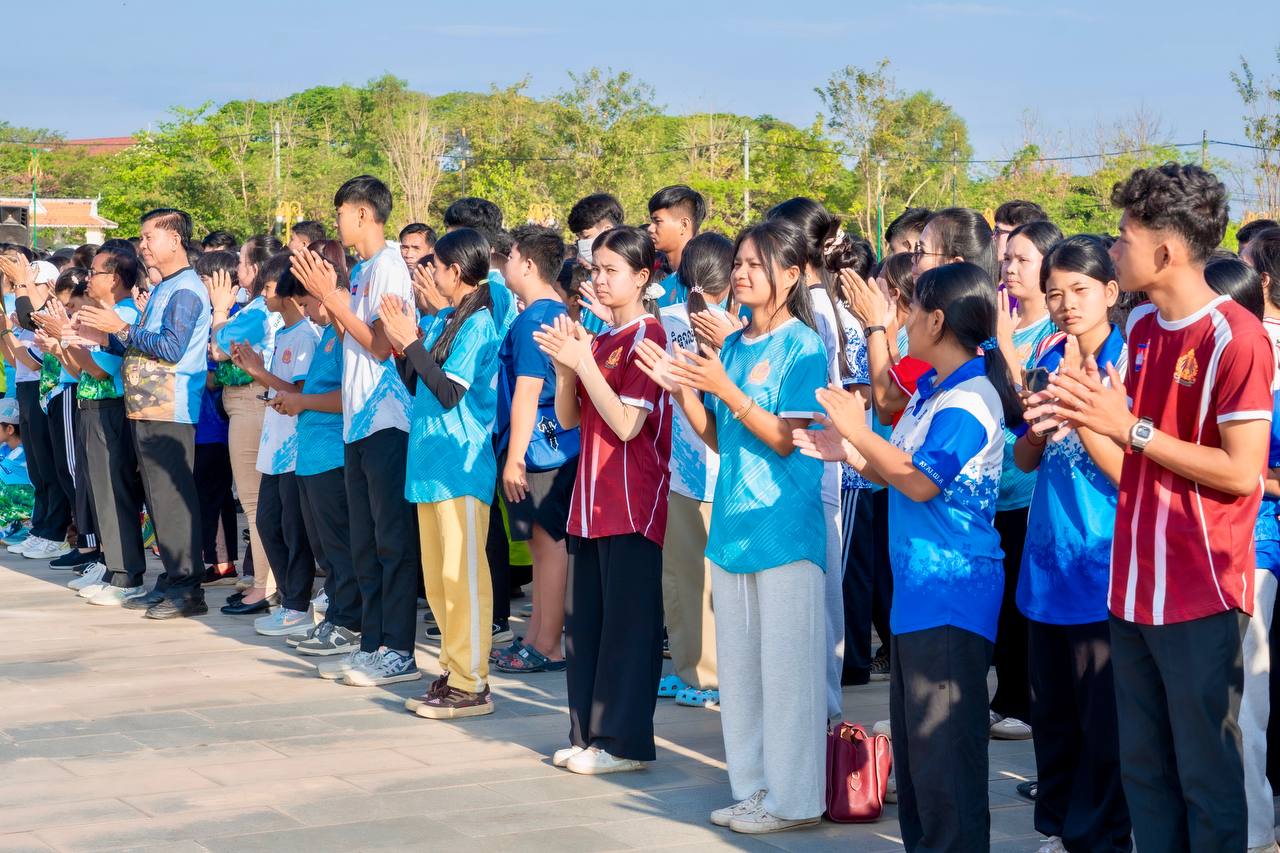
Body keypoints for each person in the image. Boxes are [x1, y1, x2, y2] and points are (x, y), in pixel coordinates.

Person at [1033, 164, 1269, 850]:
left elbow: (1241, 471)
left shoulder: (1236, 337)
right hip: (1132, 584)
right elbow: (1133, 460)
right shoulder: (1139, 325)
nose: (1112, 249)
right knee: (1144, 770)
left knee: (1205, 772)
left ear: (1165, 251)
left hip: (1200, 586)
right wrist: (1087, 415)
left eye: (1123, 237)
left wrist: (1130, 427)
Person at [798, 261, 1020, 852]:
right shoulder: (933, 390)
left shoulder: (970, 398)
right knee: (919, 751)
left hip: (952, 593)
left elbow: (921, 482)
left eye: (912, 308)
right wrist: (848, 451)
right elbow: (898, 472)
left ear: (937, 320)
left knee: (944, 755)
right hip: (919, 593)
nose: (905, 319)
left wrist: (858, 431)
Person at [638, 219, 828, 834]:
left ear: (791, 275)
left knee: (788, 674)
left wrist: (724, 385)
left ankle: (795, 800)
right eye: (739, 262)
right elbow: (721, 437)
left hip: (785, 527)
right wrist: (683, 390)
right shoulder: (737, 344)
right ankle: (752, 788)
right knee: (743, 676)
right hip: (733, 524)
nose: (741, 273)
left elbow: (789, 438)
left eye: (754, 264)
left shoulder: (804, 346)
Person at [533, 226, 672, 776]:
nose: (601, 279)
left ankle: (623, 742)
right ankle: (588, 735)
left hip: (631, 504)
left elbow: (627, 424)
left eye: (612, 270)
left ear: (642, 277)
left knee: (627, 629)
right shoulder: (603, 339)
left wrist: (584, 362)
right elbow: (570, 419)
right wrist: (567, 369)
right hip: (590, 503)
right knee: (586, 626)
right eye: (596, 269)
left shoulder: (649, 336)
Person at [1011, 235, 1132, 852]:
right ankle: (1057, 828)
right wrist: (1038, 427)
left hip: (1102, 564)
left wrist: (1082, 416)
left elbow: (1130, 473)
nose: (1066, 304)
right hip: (1046, 564)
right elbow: (1024, 458)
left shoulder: (1126, 363)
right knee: (1053, 715)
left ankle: (1098, 836)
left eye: (1080, 290)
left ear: (1110, 292)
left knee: (1101, 720)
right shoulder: (1049, 354)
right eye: (1055, 293)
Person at [293, 176, 419, 687]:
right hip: (357, 422)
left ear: (363, 213)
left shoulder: (389, 266)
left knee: (392, 542)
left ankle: (399, 650)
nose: (338, 222)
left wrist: (333, 297)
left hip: (388, 420)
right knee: (365, 543)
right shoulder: (365, 270)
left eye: (341, 212)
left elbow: (384, 346)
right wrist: (332, 300)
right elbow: (352, 334)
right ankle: (372, 645)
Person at [382, 227, 501, 717]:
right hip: (429, 466)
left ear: (455, 270)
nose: (428, 273)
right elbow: (418, 382)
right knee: (437, 580)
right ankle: (452, 671)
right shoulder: (447, 319)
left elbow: (451, 392)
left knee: (462, 577)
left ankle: (472, 682)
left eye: (434, 265)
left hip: (460, 467)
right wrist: (402, 343)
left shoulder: (479, 324)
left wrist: (411, 341)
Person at [78, 208, 214, 620]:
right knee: (158, 502)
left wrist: (119, 328)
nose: (143, 246)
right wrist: (104, 335)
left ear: (174, 239)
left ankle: (188, 589)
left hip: (170, 409)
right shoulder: (164, 287)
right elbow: (142, 343)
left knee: (172, 502)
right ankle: (172, 581)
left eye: (149, 237)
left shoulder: (186, 289)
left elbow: (171, 348)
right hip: (148, 408)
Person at [766, 197, 867, 714]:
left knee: (821, 599)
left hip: (820, 467)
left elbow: (855, 395)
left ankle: (824, 714)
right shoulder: (811, 305)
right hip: (805, 468)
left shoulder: (821, 311)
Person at [649, 231, 735, 708]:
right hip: (702, 467)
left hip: (695, 468)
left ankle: (705, 677)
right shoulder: (729, 325)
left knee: (688, 580)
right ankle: (693, 672)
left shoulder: (672, 320)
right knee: (693, 579)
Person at [988, 218, 1063, 741]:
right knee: (1000, 600)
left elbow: (1031, 411)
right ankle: (1005, 695)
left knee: (1023, 602)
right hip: (993, 485)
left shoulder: (1054, 336)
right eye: (1007, 258)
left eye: (1023, 259)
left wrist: (1005, 346)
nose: (1010, 268)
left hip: (1031, 489)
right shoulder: (999, 326)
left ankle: (1024, 702)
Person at [492, 224, 579, 675]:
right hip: (550, 443)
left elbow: (527, 391)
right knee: (543, 544)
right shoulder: (550, 311)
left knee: (549, 544)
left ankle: (548, 644)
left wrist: (514, 458)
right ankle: (536, 637)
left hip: (542, 449)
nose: (504, 265)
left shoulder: (534, 319)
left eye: (508, 257)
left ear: (527, 264)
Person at [271, 252, 361, 657]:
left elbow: (348, 397)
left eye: (307, 303)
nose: (306, 312)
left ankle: (349, 622)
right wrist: (297, 400)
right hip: (311, 455)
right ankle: (336, 617)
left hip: (332, 455)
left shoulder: (344, 331)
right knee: (327, 549)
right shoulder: (326, 333)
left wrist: (302, 401)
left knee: (341, 548)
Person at [228, 254, 320, 637]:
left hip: (295, 448)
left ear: (288, 292)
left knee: (292, 529)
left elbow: (299, 392)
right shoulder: (284, 334)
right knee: (268, 522)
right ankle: (287, 598)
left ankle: (296, 604)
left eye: (268, 289)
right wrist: (257, 370)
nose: (263, 296)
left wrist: (258, 372)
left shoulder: (306, 336)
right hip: (275, 445)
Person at [65, 243, 149, 606]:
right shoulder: (105, 312)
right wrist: (63, 341)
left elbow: (102, 369)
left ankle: (127, 575)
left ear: (114, 278)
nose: (88, 278)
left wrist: (65, 338)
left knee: (115, 492)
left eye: (94, 272)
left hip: (112, 408)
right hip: (92, 406)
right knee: (101, 492)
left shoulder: (124, 314)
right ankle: (114, 569)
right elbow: (80, 369)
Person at [210, 235, 284, 610]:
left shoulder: (256, 312)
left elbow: (218, 349)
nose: (236, 269)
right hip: (254, 404)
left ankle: (263, 585)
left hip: (251, 404)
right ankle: (267, 581)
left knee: (254, 502)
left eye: (240, 261)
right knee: (260, 501)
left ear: (255, 269)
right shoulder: (259, 309)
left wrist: (219, 310)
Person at [0, 255, 72, 560]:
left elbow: (31, 361)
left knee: (50, 467)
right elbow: (14, 359)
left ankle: (55, 532)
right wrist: (5, 332)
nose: (26, 289)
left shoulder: (45, 320)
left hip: (43, 391)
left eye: (32, 283)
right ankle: (41, 528)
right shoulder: (26, 321)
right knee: (38, 469)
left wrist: (8, 330)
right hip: (25, 390)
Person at [647, 185, 706, 307]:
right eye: (651, 221)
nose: (650, 228)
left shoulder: (706, 282)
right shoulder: (663, 283)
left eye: (657, 221)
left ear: (684, 225)